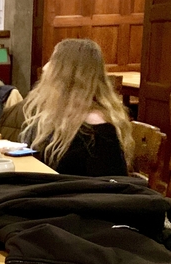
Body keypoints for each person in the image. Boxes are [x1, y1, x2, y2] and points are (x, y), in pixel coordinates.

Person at [20, 38, 133, 177]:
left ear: (68, 74)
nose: (45, 67)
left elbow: (108, 188)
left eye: (54, 61)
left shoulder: (99, 128)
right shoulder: (61, 116)